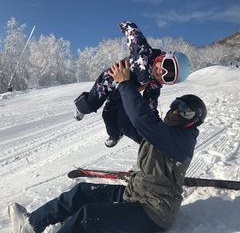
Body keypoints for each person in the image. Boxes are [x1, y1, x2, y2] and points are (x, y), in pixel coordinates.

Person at [9, 59, 207, 233]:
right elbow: (126, 124)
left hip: (153, 211)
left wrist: (125, 84)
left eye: (185, 111)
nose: (175, 111)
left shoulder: (181, 141)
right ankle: (30, 225)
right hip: (136, 193)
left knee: (88, 217)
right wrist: (119, 94)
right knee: (80, 193)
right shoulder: (161, 133)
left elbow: (141, 119)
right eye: (175, 105)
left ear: (194, 121)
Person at [74, 21, 191, 147]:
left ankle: (115, 134)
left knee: (109, 115)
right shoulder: (144, 54)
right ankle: (81, 108)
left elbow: (150, 104)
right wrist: (127, 26)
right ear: (163, 56)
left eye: (168, 76)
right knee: (92, 102)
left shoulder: (154, 85)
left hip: (121, 95)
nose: (162, 71)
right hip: (107, 84)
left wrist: (155, 126)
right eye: (167, 65)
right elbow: (135, 37)